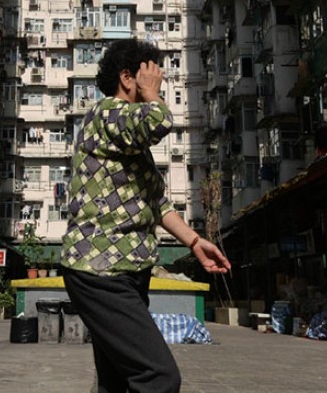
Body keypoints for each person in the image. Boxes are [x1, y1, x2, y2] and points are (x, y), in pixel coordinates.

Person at [60, 39, 230, 393]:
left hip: (125, 272)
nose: (159, 84)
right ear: (127, 77)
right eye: (151, 76)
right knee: (158, 377)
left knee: (116, 383)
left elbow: (157, 204)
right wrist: (152, 96)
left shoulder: (127, 140)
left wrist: (195, 242)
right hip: (101, 271)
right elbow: (159, 120)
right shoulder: (107, 114)